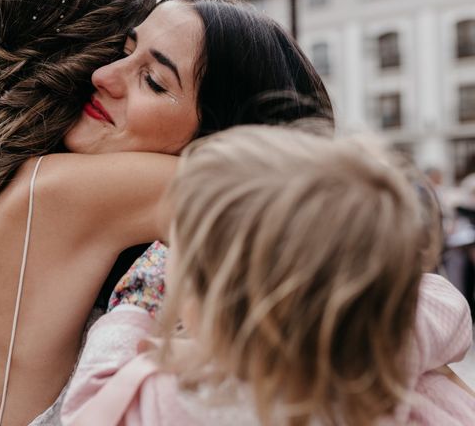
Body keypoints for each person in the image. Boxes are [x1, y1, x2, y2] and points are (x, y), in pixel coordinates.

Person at [0, 0, 332, 424]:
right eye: (123, 51)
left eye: (151, 80)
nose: (102, 75)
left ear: (218, 132)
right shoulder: (70, 190)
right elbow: (325, 212)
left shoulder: (55, 195)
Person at [61, 126, 475, 426]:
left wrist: (137, 303)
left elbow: (92, 403)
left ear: (222, 298)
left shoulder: (196, 401)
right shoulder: (382, 361)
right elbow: (444, 306)